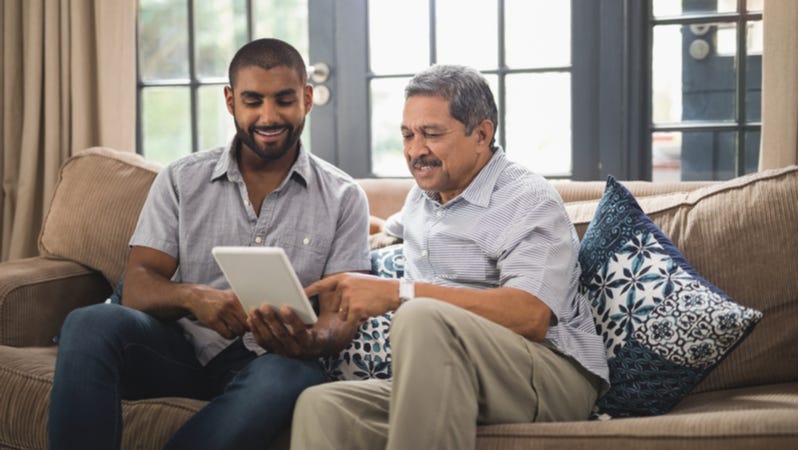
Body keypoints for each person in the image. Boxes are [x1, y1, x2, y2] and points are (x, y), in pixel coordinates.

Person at [48, 38, 370, 450]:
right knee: (88, 322)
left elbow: (343, 313)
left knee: (293, 375)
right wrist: (194, 297)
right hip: (177, 350)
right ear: (230, 101)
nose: (268, 116)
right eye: (253, 101)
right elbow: (139, 284)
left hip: (272, 362)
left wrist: (310, 341)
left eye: (284, 100)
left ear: (307, 99)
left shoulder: (344, 197)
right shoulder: (182, 179)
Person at [290, 65, 610, 450]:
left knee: (420, 314)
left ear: (482, 135)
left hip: (549, 374)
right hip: (453, 373)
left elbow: (532, 315)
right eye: (408, 135)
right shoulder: (422, 198)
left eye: (432, 134)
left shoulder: (527, 199)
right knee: (323, 406)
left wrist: (400, 292)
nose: (415, 150)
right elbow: (385, 229)